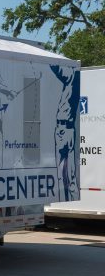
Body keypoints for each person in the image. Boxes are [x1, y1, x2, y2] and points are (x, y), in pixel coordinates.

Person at [51, 64, 79, 201]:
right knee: (71, 174)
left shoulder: (72, 76)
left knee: (61, 173)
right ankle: (72, 199)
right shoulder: (77, 78)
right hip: (70, 129)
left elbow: (58, 70)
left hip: (62, 129)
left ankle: (62, 201)